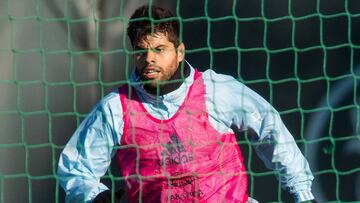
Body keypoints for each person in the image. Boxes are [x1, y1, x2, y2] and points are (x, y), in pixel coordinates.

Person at [57, 4, 316, 203]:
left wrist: (302, 193)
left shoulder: (216, 90)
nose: (149, 59)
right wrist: (93, 196)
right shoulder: (116, 108)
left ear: (179, 52)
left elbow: (270, 129)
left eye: (159, 49)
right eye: (141, 50)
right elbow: (76, 170)